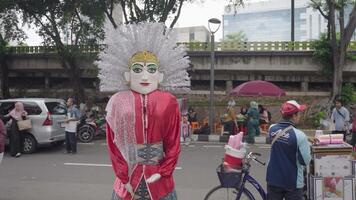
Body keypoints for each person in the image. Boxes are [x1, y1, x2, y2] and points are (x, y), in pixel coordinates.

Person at [97, 22, 190, 200]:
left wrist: (164, 171)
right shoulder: (117, 101)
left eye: (152, 69)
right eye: (138, 69)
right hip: (129, 179)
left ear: (160, 75)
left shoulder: (168, 101)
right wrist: (123, 176)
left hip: (159, 180)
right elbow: (113, 143)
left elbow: (173, 142)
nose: (145, 76)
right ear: (127, 75)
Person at [266, 100, 311, 200]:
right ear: (294, 116)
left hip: (273, 178)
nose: (300, 115)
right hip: (292, 182)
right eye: (299, 113)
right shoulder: (300, 136)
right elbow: (305, 161)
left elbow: (285, 137)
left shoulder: (272, 129)